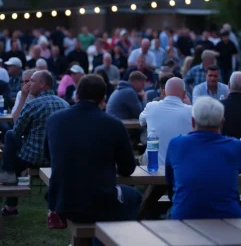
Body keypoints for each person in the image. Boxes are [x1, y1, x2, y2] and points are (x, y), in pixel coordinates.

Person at [45, 75, 141, 235]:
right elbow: (127, 169)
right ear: (103, 99)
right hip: (98, 201)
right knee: (134, 196)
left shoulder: (54, 120)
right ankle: (115, 239)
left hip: (62, 201)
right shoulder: (113, 124)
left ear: (76, 95)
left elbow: (49, 156)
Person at [166, 96, 241, 219]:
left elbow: (170, 179)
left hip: (185, 217)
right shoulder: (235, 146)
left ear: (193, 121)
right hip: (227, 218)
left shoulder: (176, 144)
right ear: (222, 122)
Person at [0, 71, 69, 216]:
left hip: (33, 158)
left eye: (31, 81)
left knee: (9, 135)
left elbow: (17, 130)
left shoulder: (33, 105)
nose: (28, 84)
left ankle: (11, 204)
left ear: (42, 84)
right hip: (56, 159)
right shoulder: (65, 104)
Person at [139, 78, 192, 165]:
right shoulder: (191, 111)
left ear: (163, 92)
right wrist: (189, 105)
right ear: (184, 94)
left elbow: (141, 122)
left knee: (142, 158)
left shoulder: (151, 106)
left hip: (153, 164)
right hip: (180, 167)